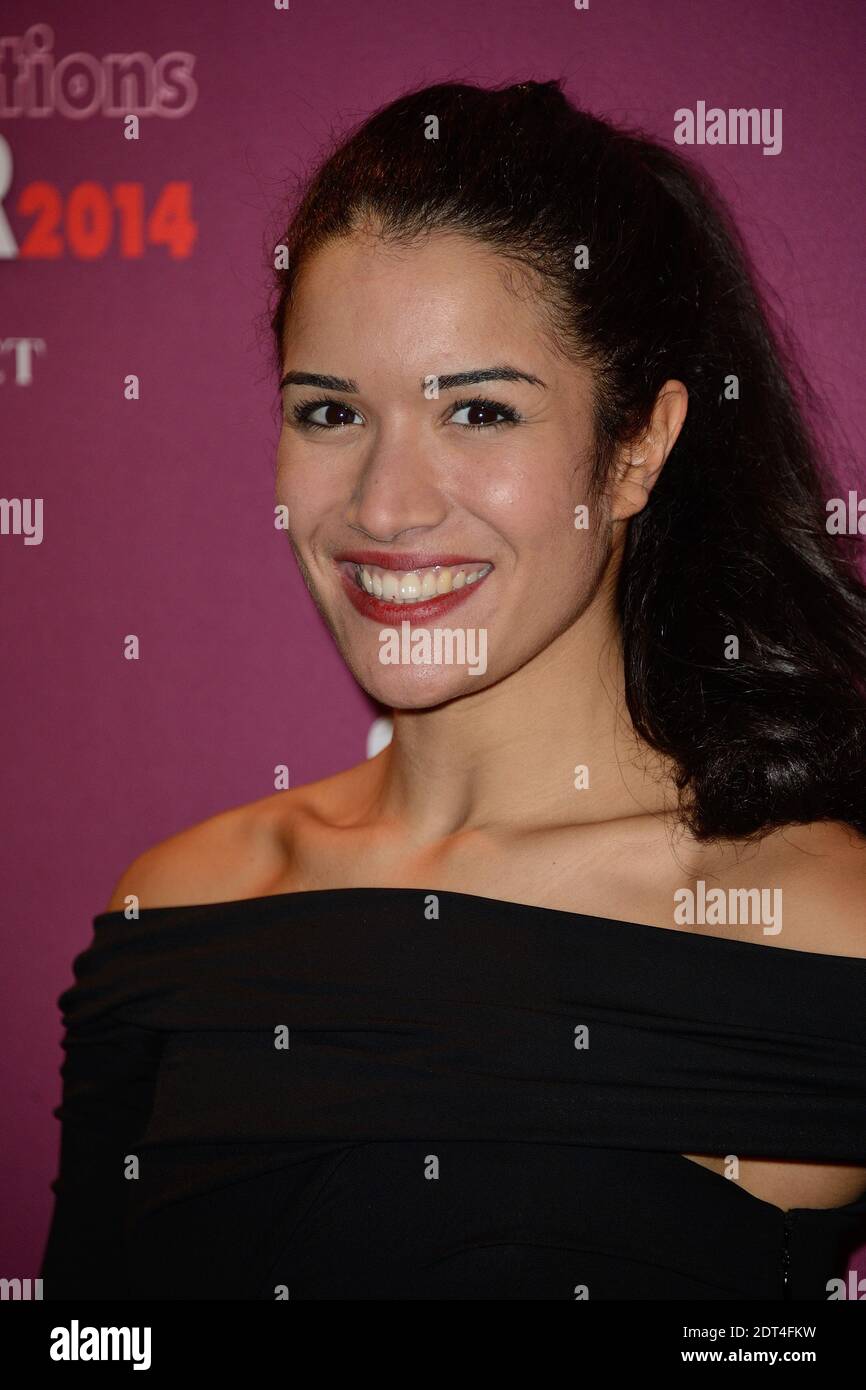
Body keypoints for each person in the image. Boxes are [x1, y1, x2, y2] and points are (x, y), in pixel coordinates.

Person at [41, 79, 866, 1300]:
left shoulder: (817, 928)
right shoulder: (179, 907)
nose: (382, 506)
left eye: (477, 409)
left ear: (635, 446)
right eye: (329, 412)